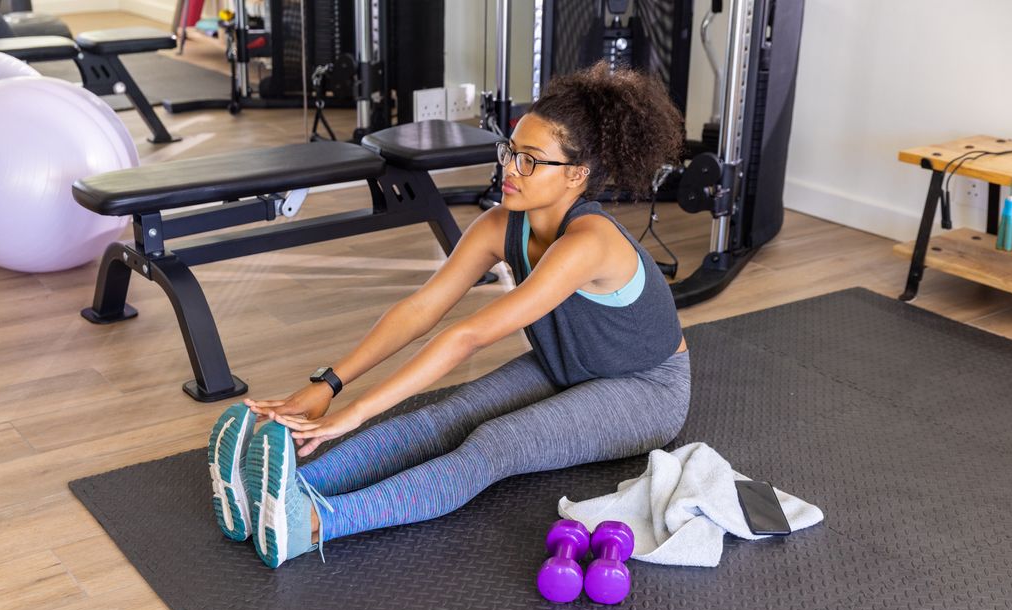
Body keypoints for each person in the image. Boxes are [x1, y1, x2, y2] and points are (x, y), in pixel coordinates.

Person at [207, 61, 691, 569]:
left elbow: (468, 336)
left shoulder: (589, 242)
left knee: (495, 443)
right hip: (566, 363)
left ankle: (306, 526)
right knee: (444, 418)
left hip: (646, 388)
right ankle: (282, 491)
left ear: (576, 174)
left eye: (530, 160)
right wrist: (330, 384)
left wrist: (354, 415)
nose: (509, 169)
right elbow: (420, 310)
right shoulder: (499, 225)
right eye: (510, 151)